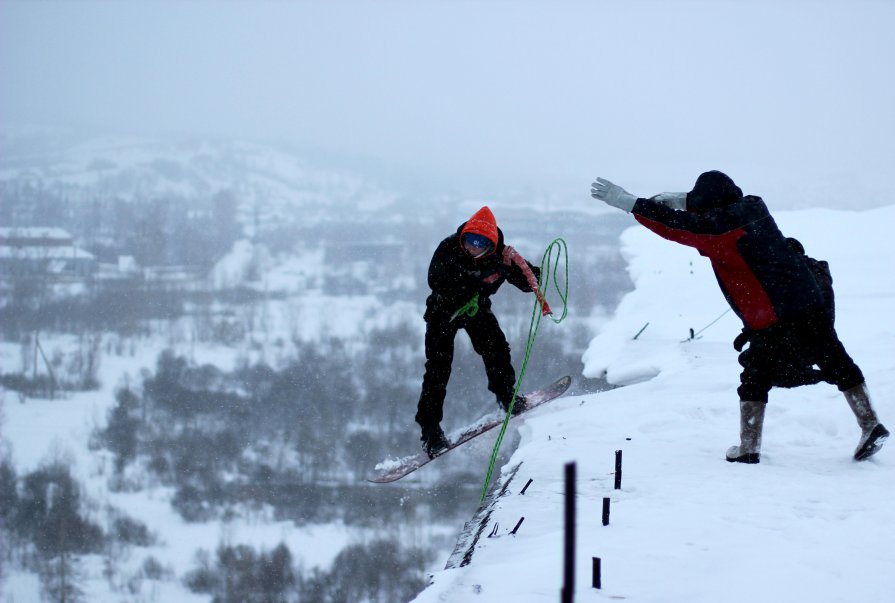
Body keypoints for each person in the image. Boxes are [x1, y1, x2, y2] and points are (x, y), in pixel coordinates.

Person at [591, 170, 888, 464]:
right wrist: (683, 199)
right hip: (812, 303)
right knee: (837, 361)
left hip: (776, 315)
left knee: (755, 376)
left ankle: (748, 447)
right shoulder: (754, 208)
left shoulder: (721, 228)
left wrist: (630, 203)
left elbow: (678, 226)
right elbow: (707, 208)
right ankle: (870, 423)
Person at [416, 206, 545, 458]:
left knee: (496, 348)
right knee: (438, 369)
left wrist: (519, 268)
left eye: (480, 242)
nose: (473, 247)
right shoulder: (449, 247)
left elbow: (529, 283)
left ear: (491, 243)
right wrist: (474, 283)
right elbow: (436, 280)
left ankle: (506, 396)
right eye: (470, 240)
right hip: (443, 312)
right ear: (463, 236)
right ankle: (430, 431)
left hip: (476, 311)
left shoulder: (501, 256)